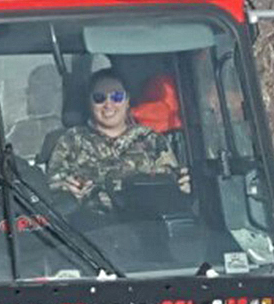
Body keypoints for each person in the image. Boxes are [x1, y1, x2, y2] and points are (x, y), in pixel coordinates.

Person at [46, 69, 189, 213]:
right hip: (89, 229)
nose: (109, 104)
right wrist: (67, 190)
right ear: (89, 102)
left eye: (117, 97)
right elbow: (52, 189)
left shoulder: (151, 139)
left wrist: (183, 186)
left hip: (146, 223)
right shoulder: (71, 141)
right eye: (99, 98)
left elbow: (173, 186)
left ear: (127, 101)